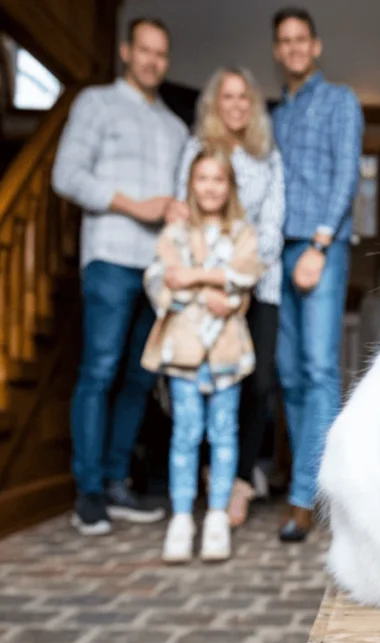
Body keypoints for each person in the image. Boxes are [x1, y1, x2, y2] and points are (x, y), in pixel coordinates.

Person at [51, 17, 188, 536]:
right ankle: (87, 492)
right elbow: (66, 175)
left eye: (162, 54)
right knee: (99, 371)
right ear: (127, 52)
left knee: (138, 378)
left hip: (158, 270)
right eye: (145, 51)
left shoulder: (175, 128)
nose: (152, 61)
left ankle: (115, 482)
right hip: (109, 259)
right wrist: (137, 205)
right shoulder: (96, 104)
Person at [167, 66, 285, 529]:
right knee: (204, 382)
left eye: (244, 98)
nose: (236, 105)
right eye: (227, 97)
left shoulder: (268, 155)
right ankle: (204, 476)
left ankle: (237, 479)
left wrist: (242, 281)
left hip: (261, 282)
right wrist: (213, 281)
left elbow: (273, 224)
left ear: (253, 106)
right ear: (214, 104)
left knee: (256, 383)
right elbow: (186, 213)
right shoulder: (198, 150)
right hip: (204, 286)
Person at [141, 145, 265, 563]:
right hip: (184, 346)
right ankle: (181, 517)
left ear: (229, 187)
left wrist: (205, 282)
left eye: (219, 179)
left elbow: (246, 274)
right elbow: (161, 276)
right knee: (186, 433)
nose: (210, 187)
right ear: (191, 185)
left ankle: (215, 515)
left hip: (227, 350)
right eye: (203, 179)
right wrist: (214, 288)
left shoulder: (243, 232)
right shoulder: (175, 232)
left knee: (224, 432)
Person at [270, 7, 364, 542]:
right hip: (274, 253)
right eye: (284, 41)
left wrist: (321, 243)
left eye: (301, 39)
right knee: (286, 372)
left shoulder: (340, 101)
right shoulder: (276, 116)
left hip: (318, 247)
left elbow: (347, 171)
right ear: (278, 50)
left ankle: (306, 497)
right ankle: (310, 478)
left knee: (319, 370)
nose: (294, 48)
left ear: (316, 46)